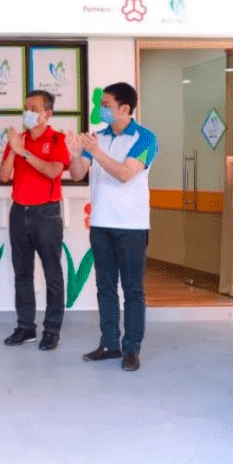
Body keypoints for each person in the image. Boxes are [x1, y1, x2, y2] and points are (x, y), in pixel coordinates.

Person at [68, 82, 158, 372]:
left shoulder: (145, 138)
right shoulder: (99, 137)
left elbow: (125, 174)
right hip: (100, 224)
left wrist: (95, 152)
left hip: (132, 226)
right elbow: (77, 173)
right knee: (105, 287)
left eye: (106, 105)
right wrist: (75, 153)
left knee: (132, 290)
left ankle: (131, 348)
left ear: (125, 108)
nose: (101, 109)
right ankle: (109, 344)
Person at [0, 90, 70, 351]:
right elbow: (4, 176)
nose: (28, 112)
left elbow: (53, 171)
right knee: (22, 273)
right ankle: (25, 327)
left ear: (47, 114)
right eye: (26, 107)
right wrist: (14, 150)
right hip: (19, 212)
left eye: (34, 108)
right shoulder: (18, 139)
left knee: (52, 274)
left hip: (46, 214)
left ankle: (52, 330)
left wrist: (26, 154)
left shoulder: (58, 139)